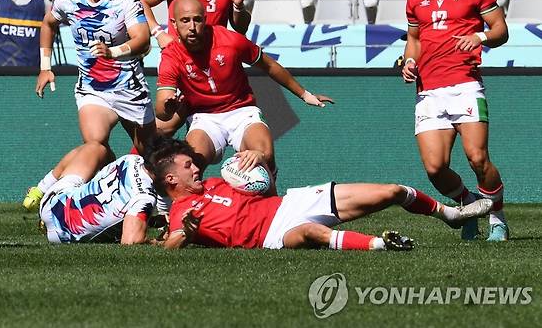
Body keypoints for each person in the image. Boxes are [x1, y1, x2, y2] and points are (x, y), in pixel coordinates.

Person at [144, 138, 493, 250]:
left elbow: (259, 181)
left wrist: (256, 161)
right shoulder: (182, 211)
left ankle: (450, 215)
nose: (196, 168)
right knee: (311, 233)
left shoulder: (217, 182)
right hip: (273, 236)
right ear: (171, 179)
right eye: (188, 166)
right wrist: (185, 234)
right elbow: (172, 243)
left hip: (290, 202)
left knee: (392, 191)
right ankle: (382, 244)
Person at [155, 0, 333, 193]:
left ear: (205, 19)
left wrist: (304, 94)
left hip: (242, 111)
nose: (192, 26)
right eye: (185, 20)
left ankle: (271, 201)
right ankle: (189, 214)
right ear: (173, 23)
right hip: (204, 117)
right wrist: (167, 108)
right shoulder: (170, 56)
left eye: (197, 19)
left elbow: (269, 65)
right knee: (190, 164)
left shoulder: (230, 40)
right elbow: (162, 109)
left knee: (263, 154)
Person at [27, 0, 156, 209]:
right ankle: (107, 193)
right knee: (95, 146)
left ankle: (157, 204)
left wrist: (114, 52)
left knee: (152, 155)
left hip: (130, 89)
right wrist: (45, 67)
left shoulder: (125, 0)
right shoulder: (67, 0)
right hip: (93, 90)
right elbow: (48, 24)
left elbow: (143, 41)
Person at [402, 0, 509, 242]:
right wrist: (409, 61)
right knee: (435, 167)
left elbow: (501, 30)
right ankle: (469, 203)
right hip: (429, 91)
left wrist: (479, 36)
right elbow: (413, 39)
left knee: (478, 158)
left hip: (465, 85)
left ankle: (497, 219)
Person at [137, 0, 252, 140]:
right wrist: (158, 32)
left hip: (215, 70)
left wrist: (238, 6)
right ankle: (136, 168)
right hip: (182, 65)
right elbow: (140, 0)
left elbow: (241, 27)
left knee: (221, 134)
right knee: (160, 130)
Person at [35, 142, 168, 244]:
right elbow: (130, 242)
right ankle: (40, 190)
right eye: (187, 165)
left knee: (96, 147)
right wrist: (162, 243)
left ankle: (39, 190)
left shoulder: (130, 160)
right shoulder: (145, 197)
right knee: (96, 147)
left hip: (53, 203)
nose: (190, 170)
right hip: (63, 236)